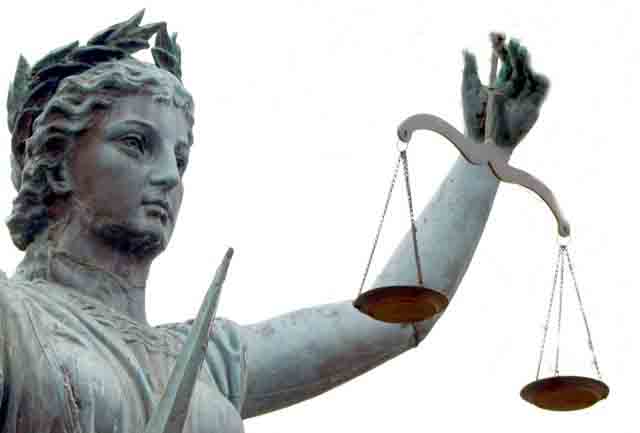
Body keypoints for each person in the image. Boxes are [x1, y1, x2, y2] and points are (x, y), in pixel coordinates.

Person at [1, 10, 549, 433]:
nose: (168, 175)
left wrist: (484, 159)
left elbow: (397, 318)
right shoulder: (13, 321)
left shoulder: (210, 360)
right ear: (56, 161)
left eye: (181, 158)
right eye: (135, 143)